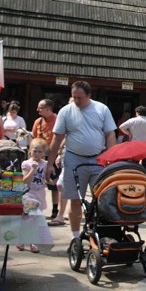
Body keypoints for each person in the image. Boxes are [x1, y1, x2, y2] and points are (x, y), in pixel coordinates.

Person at [47, 81, 117, 241]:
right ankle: (75, 236)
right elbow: (57, 138)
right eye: (74, 97)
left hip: (98, 159)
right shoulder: (66, 111)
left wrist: (110, 158)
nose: (77, 101)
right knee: (75, 199)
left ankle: (99, 233)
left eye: (80, 98)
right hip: (74, 158)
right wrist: (50, 164)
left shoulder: (101, 109)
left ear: (89, 96)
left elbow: (110, 135)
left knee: (101, 199)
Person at [17, 138, 49, 253]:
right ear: (30, 151)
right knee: (29, 216)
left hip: (40, 193)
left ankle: (32, 241)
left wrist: (51, 180)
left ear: (44, 153)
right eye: (35, 151)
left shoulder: (45, 164)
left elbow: (48, 178)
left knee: (35, 219)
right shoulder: (26, 164)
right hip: (29, 193)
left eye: (40, 151)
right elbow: (25, 180)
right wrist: (33, 170)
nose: (37, 154)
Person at [32, 98, 61, 220]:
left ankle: (55, 210)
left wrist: (58, 154)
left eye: (40, 107)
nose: (37, 109)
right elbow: (34, 138)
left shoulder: (58, 120)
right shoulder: (38, 121)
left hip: (53, 156)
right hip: (39, 156)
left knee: (54, 185)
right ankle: (35, 208)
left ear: (48, 109)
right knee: (36, 182)